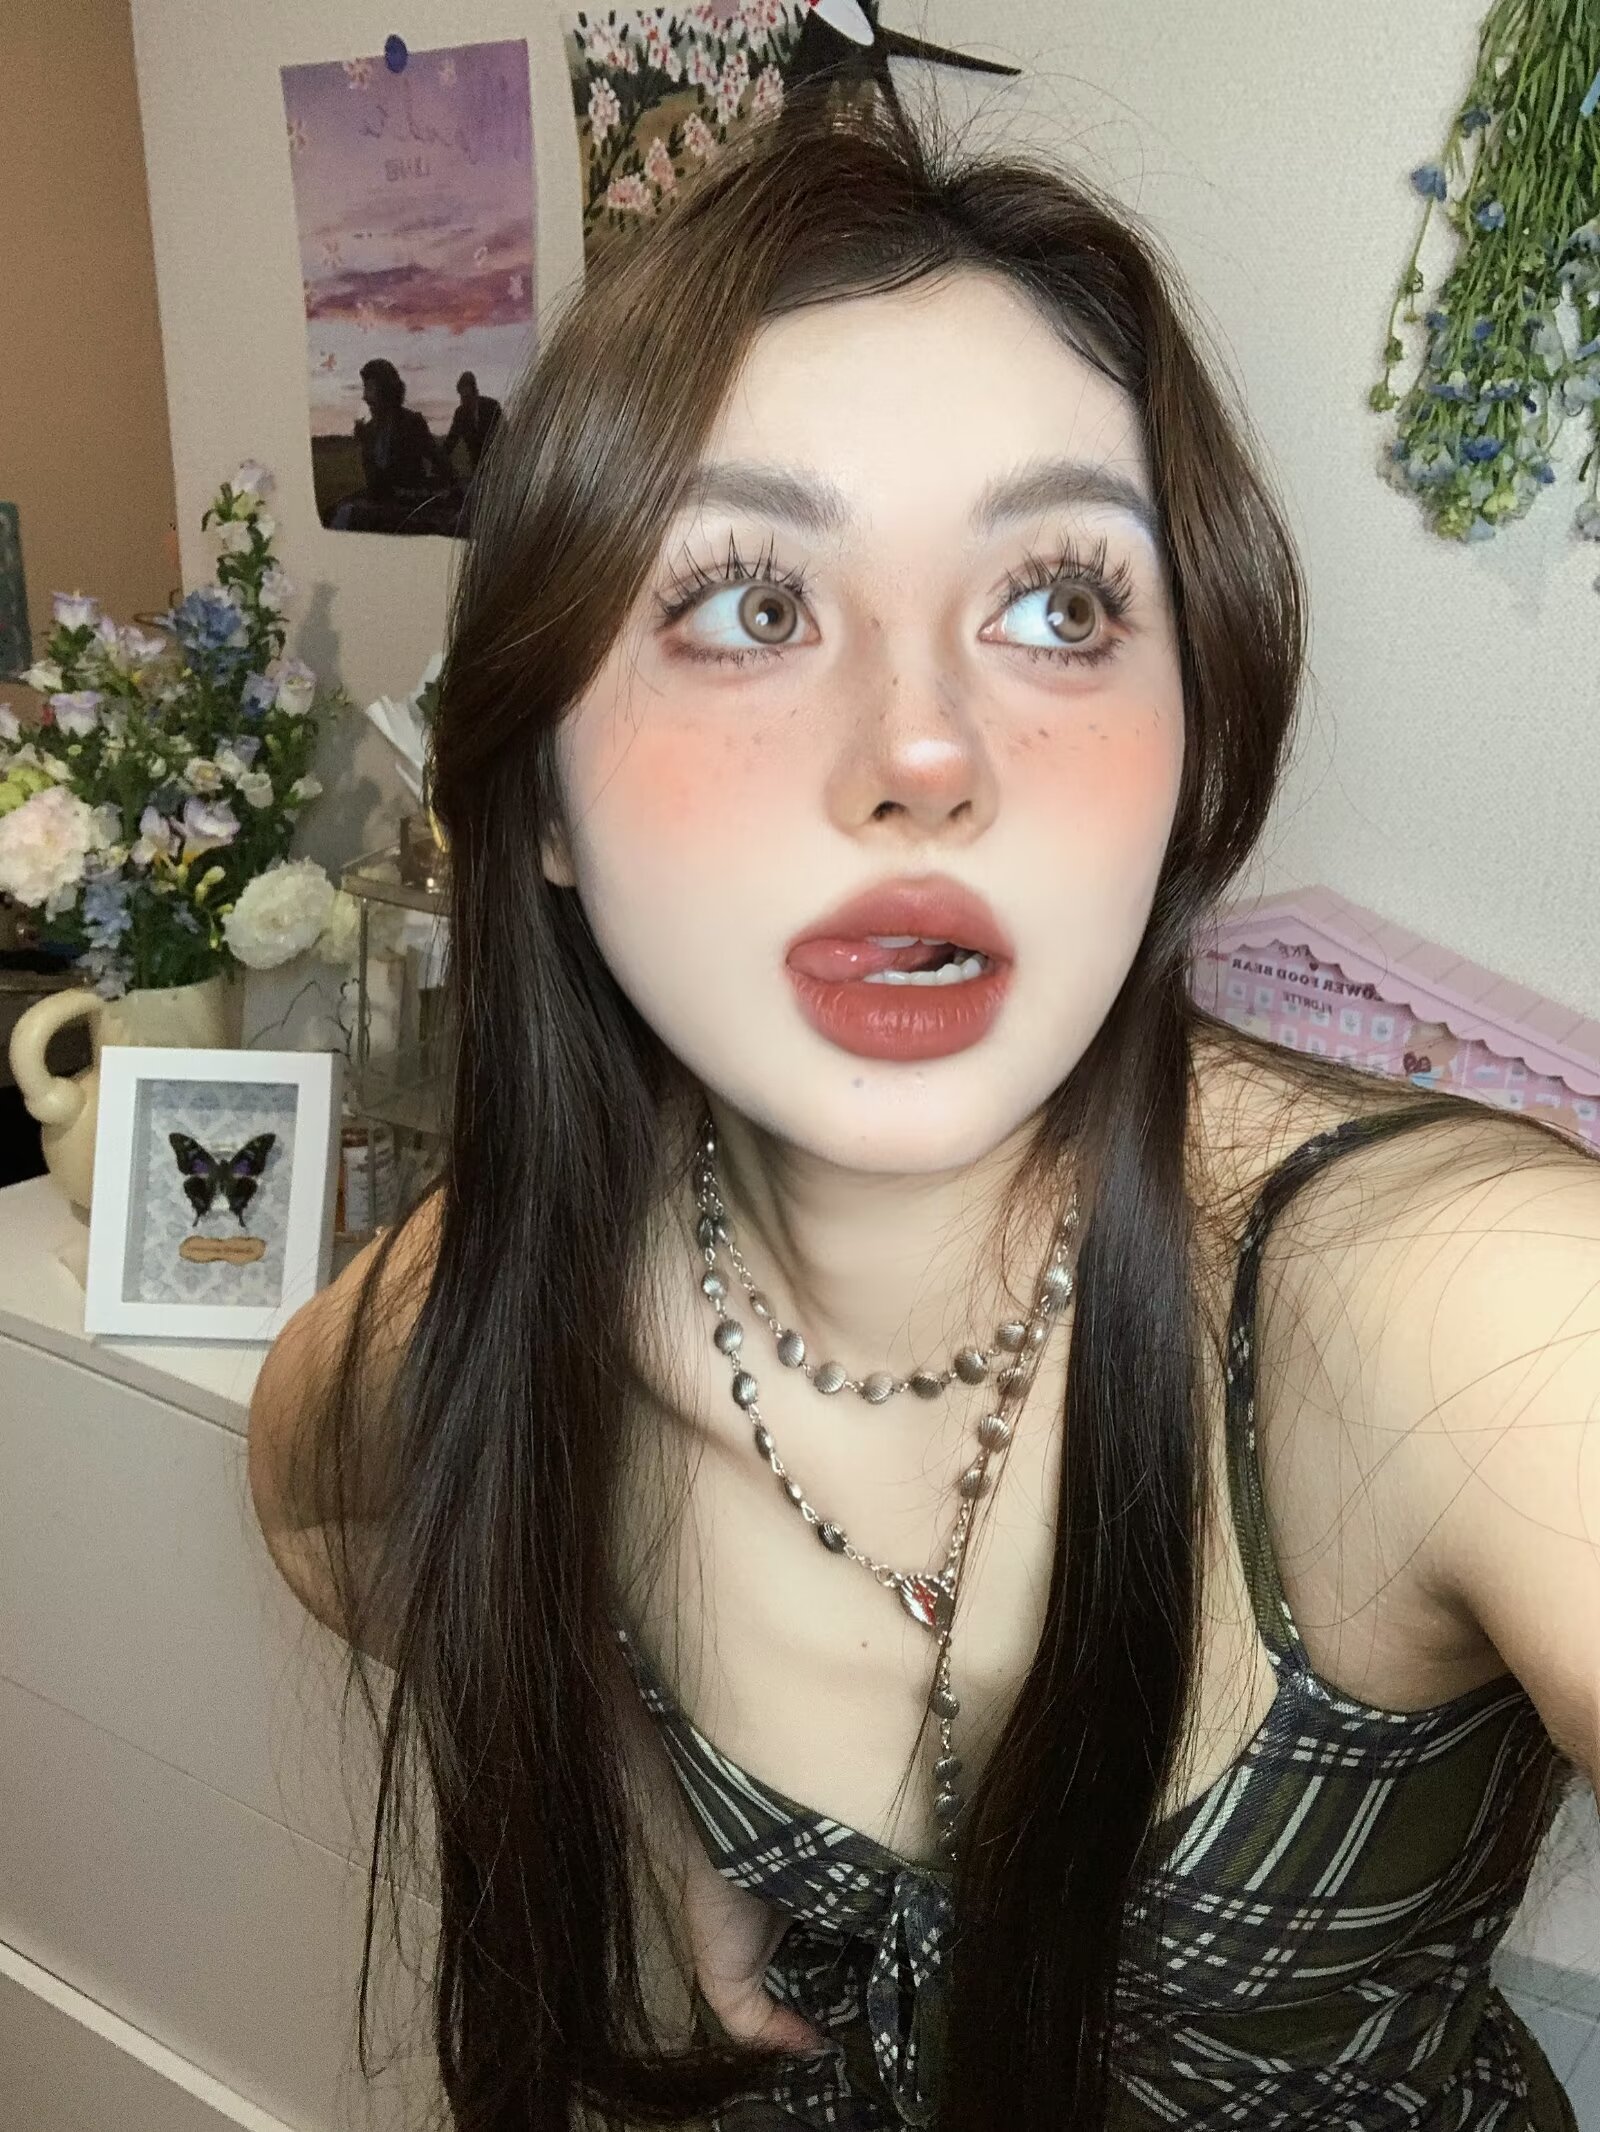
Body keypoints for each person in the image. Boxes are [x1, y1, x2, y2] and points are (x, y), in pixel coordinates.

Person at [247, 92, 1600, 2132]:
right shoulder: (528, 1272)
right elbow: (312, 1497)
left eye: (1058, 605)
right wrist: (632, 1788)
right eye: (746, 602)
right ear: (538, 796)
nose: (921, 749)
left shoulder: (1469, 1310)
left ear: (1191, 739)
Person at [327, 358, 456, 533]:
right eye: (365, 389)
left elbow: (442, 464)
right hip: (380, 504)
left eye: (370, 388)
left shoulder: (411, 423)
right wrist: (366, 445)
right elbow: (375, 484)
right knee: (334, 512)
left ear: (386, 391)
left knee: (348, 517)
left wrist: (441, 492)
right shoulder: (370, 430)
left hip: (406, 506)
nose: (365, 397)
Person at [441, 369, 502, 475]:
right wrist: (439, 459)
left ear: (475, 392)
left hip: (499, 466)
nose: (464, 401)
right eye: (461, 397)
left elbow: (504, 434)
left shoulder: (492, 407)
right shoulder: (460, 413)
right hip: (477, 468)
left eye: (467, 397)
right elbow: (451, 441)